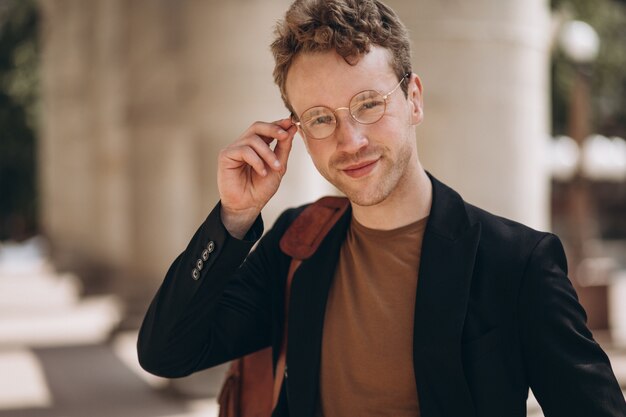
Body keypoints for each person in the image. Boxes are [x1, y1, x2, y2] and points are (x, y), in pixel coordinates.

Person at [137, 1, 626, 416]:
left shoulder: (517, 261)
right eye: (321, 118)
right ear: (297, 133)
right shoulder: (298, 242)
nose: (351, 140)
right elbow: (167, 352)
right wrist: (235, 217)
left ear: (413, 99)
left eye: (369, 104)